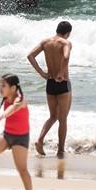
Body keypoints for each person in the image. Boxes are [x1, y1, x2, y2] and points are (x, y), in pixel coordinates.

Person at [26, 20, 72, 158]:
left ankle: (40, 140)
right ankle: (60, 150)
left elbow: (30, 56)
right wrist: (61, 73)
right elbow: (66, 56)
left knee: (53, 116)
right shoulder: (65, 43)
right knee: (62, 119)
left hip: (50, 82)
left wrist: (41, 73)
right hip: (63, 83)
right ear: (68, 33)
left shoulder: (45, 42)